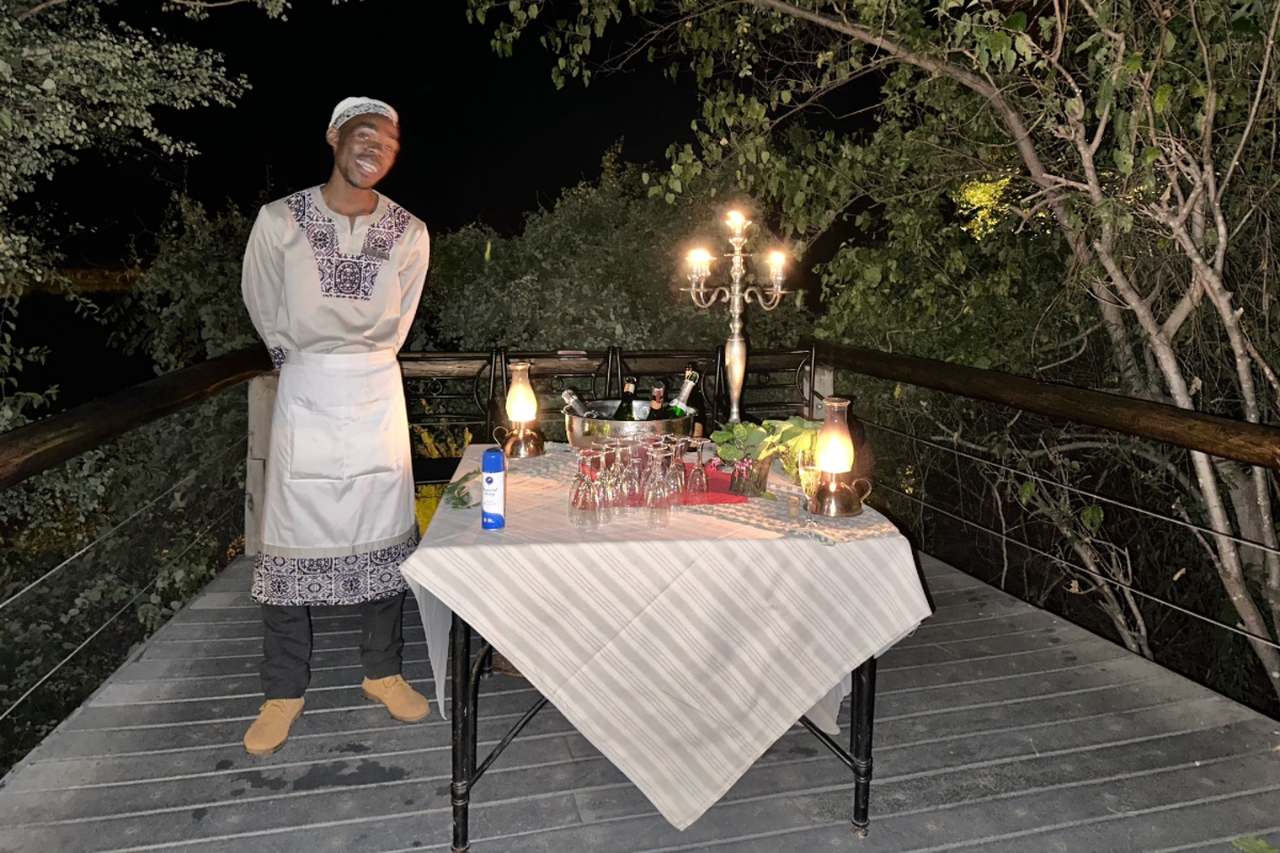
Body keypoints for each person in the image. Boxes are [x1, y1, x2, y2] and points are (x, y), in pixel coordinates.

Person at [239, 97, 431, 756]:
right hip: (308, 388)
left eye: (389, 139)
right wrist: (303, 359)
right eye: (363, 133)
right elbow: (263, 302)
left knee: (385, 533)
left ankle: (383, 671)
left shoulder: (410, 232)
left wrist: (364, 360)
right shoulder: (278, 222)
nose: (375, 146)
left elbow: (400, 318)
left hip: (377, 391)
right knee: (288, 540)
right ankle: (282, 689)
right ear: (334, 137)